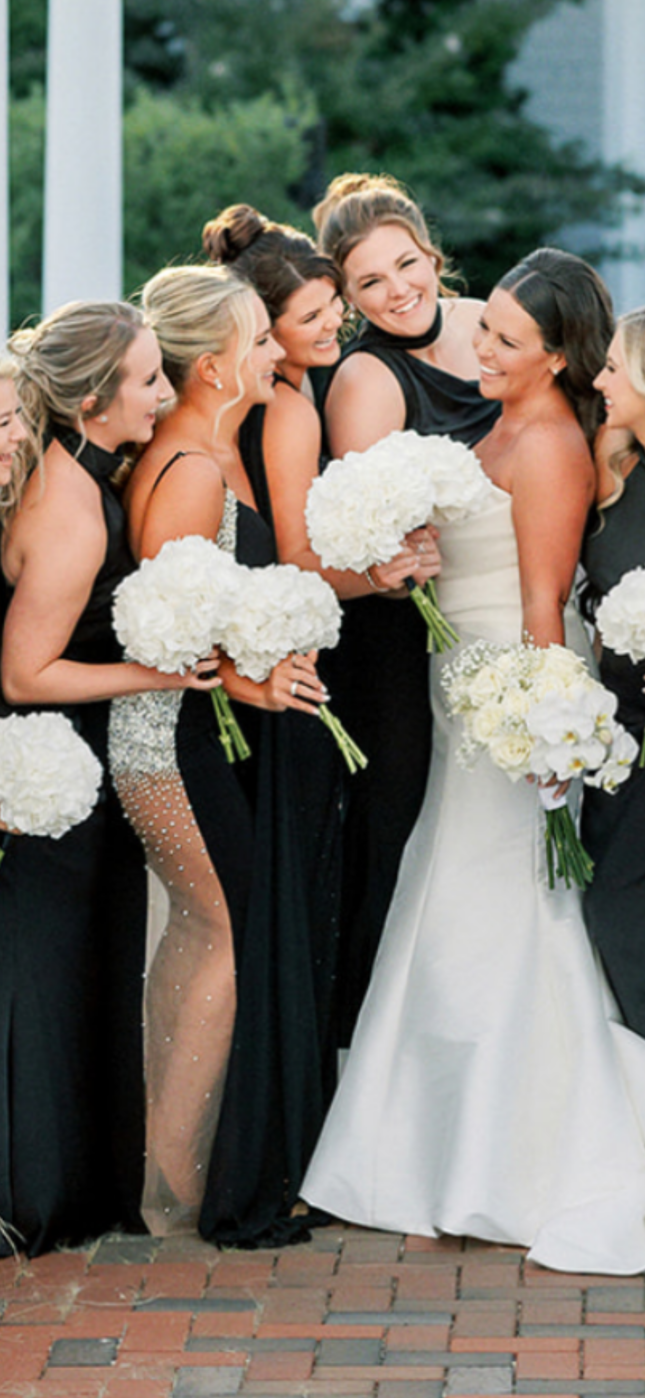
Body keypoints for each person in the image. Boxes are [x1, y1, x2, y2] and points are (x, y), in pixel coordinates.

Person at [303, 249, 645, 1275]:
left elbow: (545, 605)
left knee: (495, 910)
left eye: (503, 338)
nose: (478, 347)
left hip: (509, 699)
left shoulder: (549, 446)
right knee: (442, 899)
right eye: (484, 323)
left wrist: (547, 735)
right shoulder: (501, 419)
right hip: (460, 694)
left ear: (557, 358)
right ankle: (430, 1152)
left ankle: (504, 1159)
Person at [108, 263, 331, 1244]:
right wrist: (254, 682)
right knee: (226, 937)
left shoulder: (193, 449)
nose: (274, 351)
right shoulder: (191, 471)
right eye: (258, 339)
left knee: (198, 936)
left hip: (180, 740)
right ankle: (177, 1191)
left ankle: (165, 1174)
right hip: (168, 744)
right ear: (213, 367)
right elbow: (160, 640)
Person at [202, 202, 438, 1090]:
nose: (338, 319)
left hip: (282, 664)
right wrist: (382, 574)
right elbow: (302, 563)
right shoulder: (292, 406)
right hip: (290, 672)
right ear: (262, 329)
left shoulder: (276, 395)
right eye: (316, 314)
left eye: (335, 303)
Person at [0, 307, 217, 1257]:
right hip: (38, 759)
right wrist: (164, 673)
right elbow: (23, 673)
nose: (165, 394)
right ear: (92, 400)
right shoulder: (69, 503)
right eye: (146, 381)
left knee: (77, 963)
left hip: (71, 755)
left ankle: (67, 1184)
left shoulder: (81, 474)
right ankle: (31, 1194)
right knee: (41, 977)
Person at [311, 172, 502, 1039]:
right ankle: (375, 1044)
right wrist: (395, 561)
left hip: (520, 598)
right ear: (347, 298)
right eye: (369, 284)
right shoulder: (364, 380)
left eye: (405, 264)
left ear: (431, 252)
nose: (398, 291)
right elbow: (368, 538)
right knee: (407, 834)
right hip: (415, 635)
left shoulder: (490, 325)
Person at [580, 307, 645, 1036]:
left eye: (612, 367)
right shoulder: (616, 459)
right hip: (614, 734)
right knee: (606, 901)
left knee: (619, 907)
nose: (598, 380)